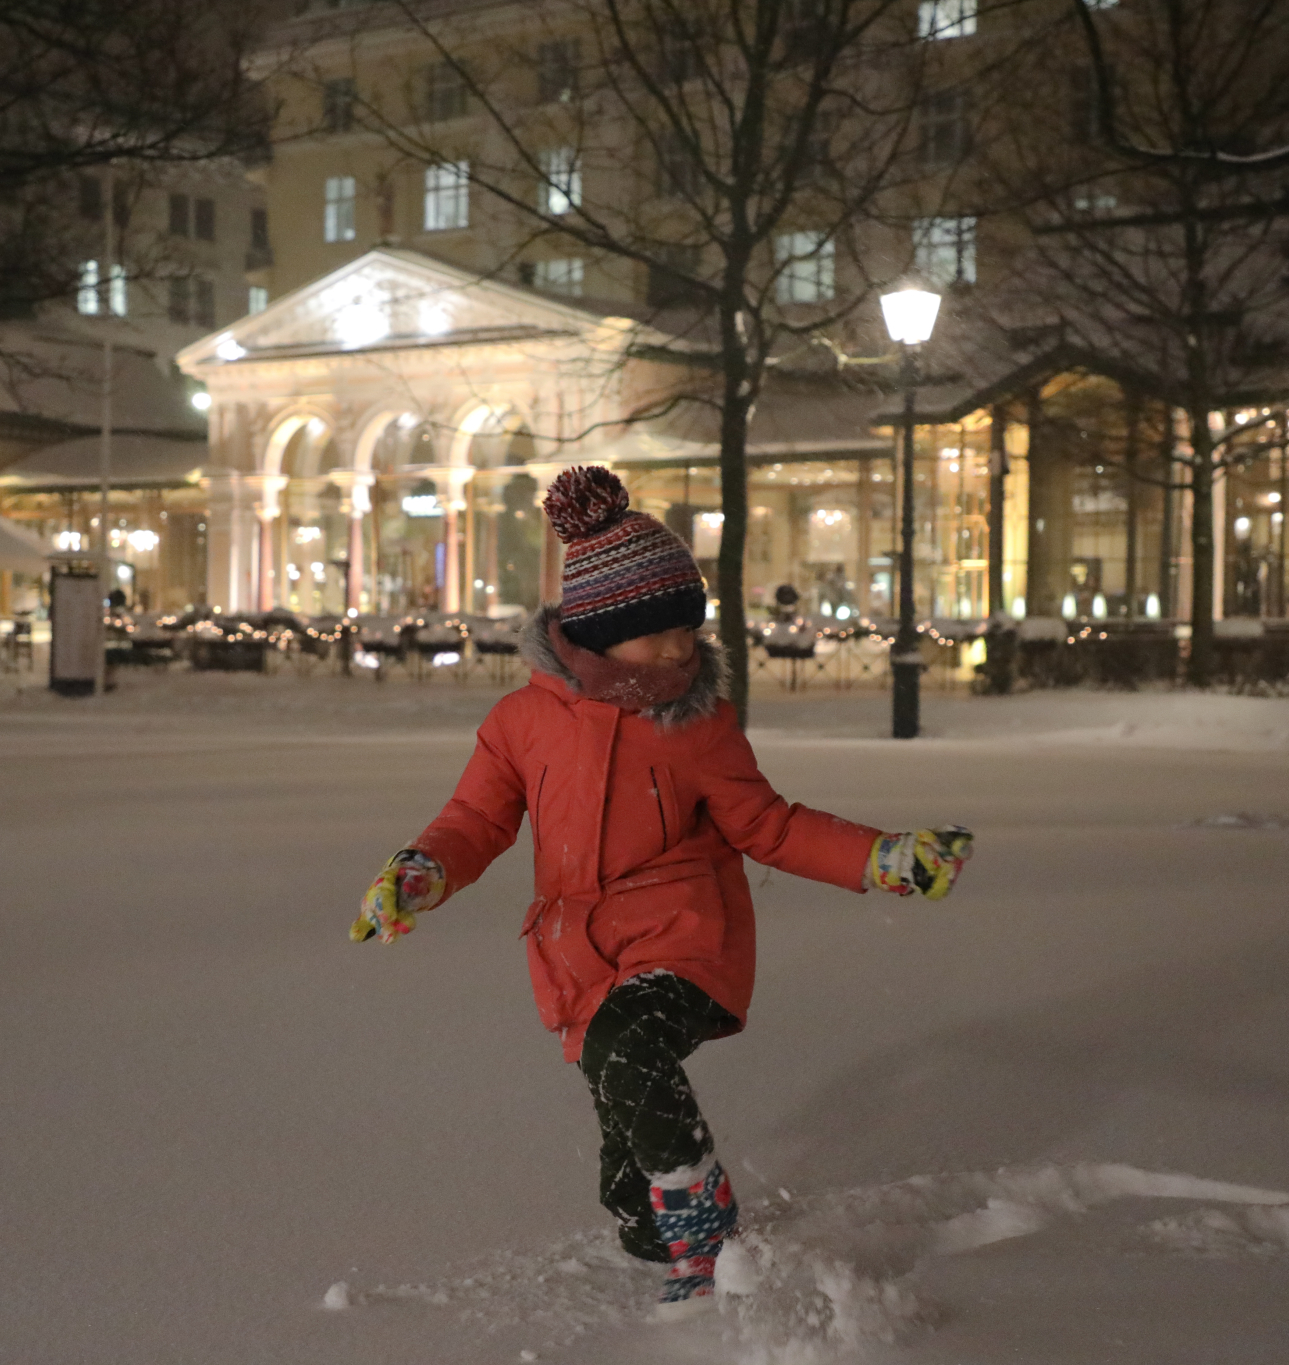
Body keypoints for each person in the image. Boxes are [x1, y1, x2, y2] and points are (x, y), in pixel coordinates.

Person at [349, 466, 973, 1319]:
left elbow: (772, 826)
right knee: (624, 1159)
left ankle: (703, 1229)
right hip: (579, 956)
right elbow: (476, 820)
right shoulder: (520, 725)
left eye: (690, 627)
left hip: (686, 938)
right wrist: (420, 871)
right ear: (602, 631)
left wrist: (883, 858)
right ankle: (655, 1222)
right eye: (662, 633)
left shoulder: (697, 724)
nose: (683, 649)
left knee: (630, 1050)